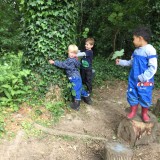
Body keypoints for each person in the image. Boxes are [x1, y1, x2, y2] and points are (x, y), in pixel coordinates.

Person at [116, 27, 157, 122]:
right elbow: (131, 62)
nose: (133, 41)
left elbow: (153, 67)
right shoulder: (136, 51)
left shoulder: (150, 50)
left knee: (145, 96)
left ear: (140, 38)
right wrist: (121, 62)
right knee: (132, 94)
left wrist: (143, 77)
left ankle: (144, 113)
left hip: (145, 81)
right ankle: (133, 111)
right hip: (133, 79)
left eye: (134, 38)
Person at [49, 44, 91, 111]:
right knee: (80, 88)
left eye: (74, 53)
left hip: (74, 77)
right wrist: (76, 58)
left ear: (76, 53)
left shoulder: (70, 60)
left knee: (76, 90)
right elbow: (78, 65)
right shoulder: (75, 60)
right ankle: (87, 98)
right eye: (71, 52)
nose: (72, 54)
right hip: (78, 77)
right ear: (68, 52)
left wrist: (54, 62)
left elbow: (63, 64)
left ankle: (76, 105)